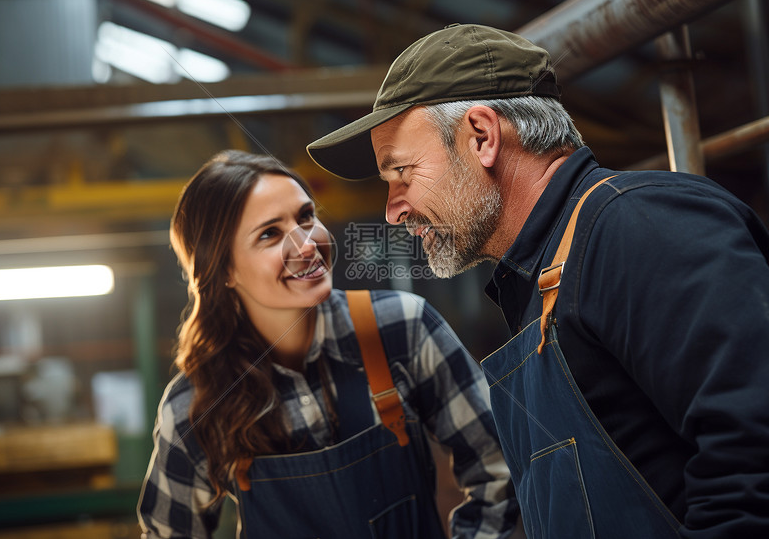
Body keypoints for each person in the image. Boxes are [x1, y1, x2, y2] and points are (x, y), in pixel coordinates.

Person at [306, 23, 769, 538]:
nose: (392, 211)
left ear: (481, 136)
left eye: (401, 172)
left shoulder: (638, 227)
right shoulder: (537, 278)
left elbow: (767, 460)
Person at [137, 149, 519, 538]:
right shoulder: (196, 405)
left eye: (305, 217)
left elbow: (500, 468)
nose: (305, 245)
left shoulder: (401, 328)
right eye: (269, 234)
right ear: (224, 272)